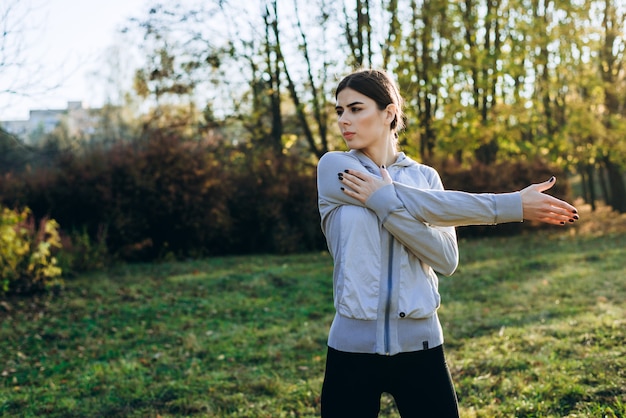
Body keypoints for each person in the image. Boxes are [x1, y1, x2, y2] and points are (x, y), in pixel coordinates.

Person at [316, 68, 579, 417]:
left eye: (355, 108)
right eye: (340, 111)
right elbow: (431, 206)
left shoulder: (426, 177)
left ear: (389, 112)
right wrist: (511, 205)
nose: (343, 120)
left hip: (422, 349)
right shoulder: (335, 168)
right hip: (350, 351)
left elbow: (446, 259)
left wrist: (383, 202)